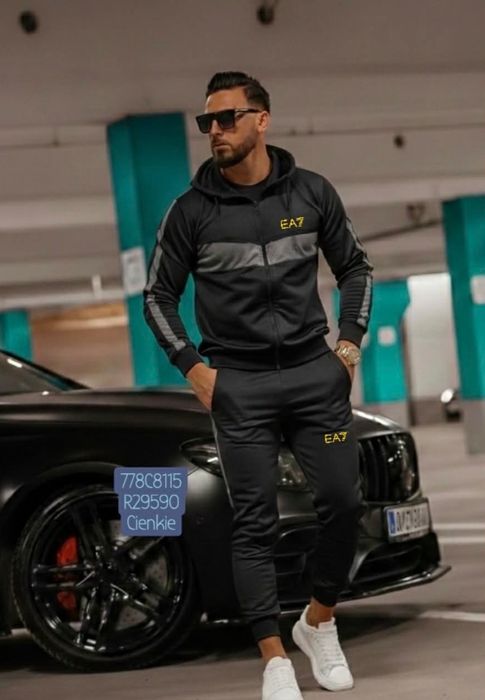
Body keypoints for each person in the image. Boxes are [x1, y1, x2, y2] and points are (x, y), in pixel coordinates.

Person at [143, 71, 373, 698]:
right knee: (255, 521)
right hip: (238, 385)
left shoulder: (312, 192)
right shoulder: (190, 212)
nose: (214, 131)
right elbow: (158, 297)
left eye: (227, 118)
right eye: (207, 122)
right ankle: (273, 659)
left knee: (343, 502)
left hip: (314, 377)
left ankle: (318, 622)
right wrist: (193, 367)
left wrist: (347, 346)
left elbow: (355, 268)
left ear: (262, 120)